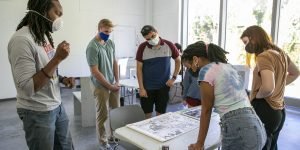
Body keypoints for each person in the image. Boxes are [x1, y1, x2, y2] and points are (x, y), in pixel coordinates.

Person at [7, 0, 74, 149]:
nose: (60, 19)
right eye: (57, 13)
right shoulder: (22, 40)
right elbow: (27, 87)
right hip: (37, 112)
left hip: (56, 105)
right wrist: (57, 58)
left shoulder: (42, 37)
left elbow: (46, 69)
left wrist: (62, 79)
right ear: (43, 11)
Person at [184, 41, 267, 150]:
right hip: (255, 125)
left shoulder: (205, 71)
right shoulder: (229, 67)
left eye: (189, 66)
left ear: (195, 59)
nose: (190, 70)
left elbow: (206, 110)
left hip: (239, 129)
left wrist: (199, 144)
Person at [240, 25, 300, 150]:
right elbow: (295, 73)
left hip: (265, 109)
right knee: (272, 146)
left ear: (254, 38)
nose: (246, 46)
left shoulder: (264, 56)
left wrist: (257, 95)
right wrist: (279, 84)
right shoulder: (281, 54)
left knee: (259, 146)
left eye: (246, 42)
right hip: (279, 111)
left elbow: (268, 88)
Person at [86, 19, 120, 149]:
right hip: (100, 86)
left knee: (115, 112)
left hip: (112, 84)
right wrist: (109, 86)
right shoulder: (92, 47)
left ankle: (113, 136)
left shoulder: (110, 43)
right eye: (106, 31)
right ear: (99, 28)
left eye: (110, 32)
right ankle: (103, 142)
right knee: (103, 115)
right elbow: (95, 71)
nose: (108, 34)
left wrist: (117, 81)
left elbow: (114, 62)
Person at [136, 25, 181, 118]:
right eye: (148, 39)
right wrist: (141, 88)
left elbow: (178, 60)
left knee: (161, 116)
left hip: (163, 87)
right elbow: (139, 69)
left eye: (152, 36)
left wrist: (173, 78)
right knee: (146, 115)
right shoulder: (142, 47)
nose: (151, 40)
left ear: (156, 32)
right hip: (147, 88)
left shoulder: (169, 45)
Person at [175, 43, 201, 108]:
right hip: (192, 98)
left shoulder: (205, 69)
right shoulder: (188, 71)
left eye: (187, 65)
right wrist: (184, 98)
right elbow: (186, 84)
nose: (188, 68)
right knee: (192, 116)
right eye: (186, 66)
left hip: (204, 98)